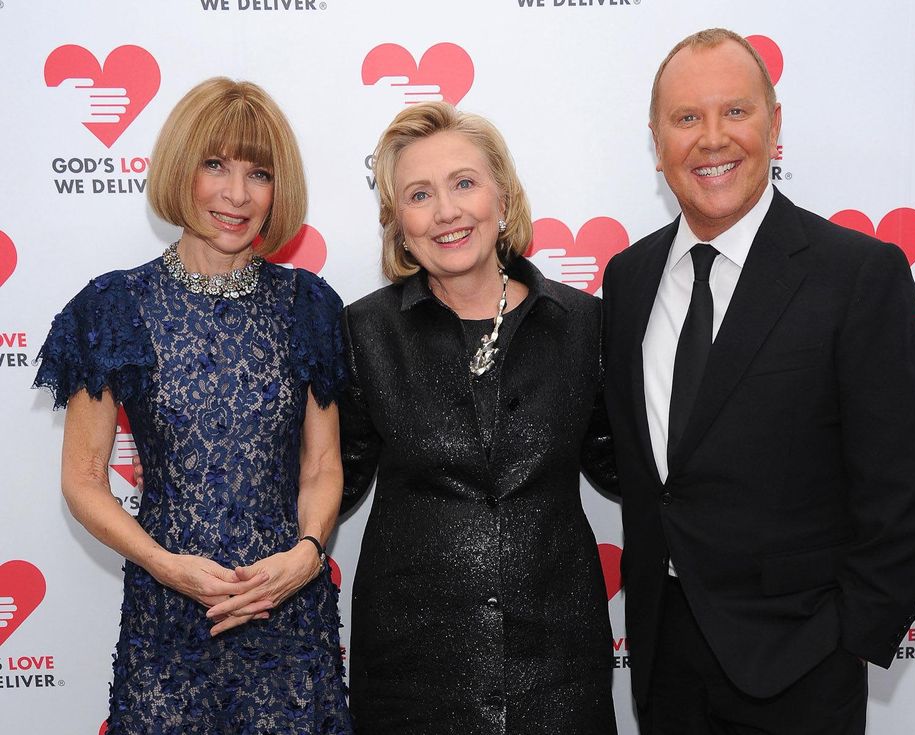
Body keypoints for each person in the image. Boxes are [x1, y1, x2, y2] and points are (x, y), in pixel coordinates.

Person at [601, 28, 915, 735]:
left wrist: (850, 634)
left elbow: (908, 473)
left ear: (774, 125)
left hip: (802, 662)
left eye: (735, 111)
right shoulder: (629, 278)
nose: (712, 138)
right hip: (665, 659)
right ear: (657, 142)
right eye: (687, 118)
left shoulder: (856, 275)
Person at [33, 78, 353, 734]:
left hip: (286, 617)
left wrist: (307, 554)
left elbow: (322, 465)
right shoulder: (113, 308)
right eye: (215, 165)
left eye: (259, 173)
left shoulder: (309, 305)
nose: (237, 194)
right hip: (168, 623)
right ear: (181, 170)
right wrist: (163, 564)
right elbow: (84, 479)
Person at [339, 101, 617, 734]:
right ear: (398, 222)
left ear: (503, 197)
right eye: (419, 194)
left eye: (464, 183)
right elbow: (328, 481)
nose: (447, 211)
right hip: (410, 679)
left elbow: (629, 467)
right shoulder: (364, 332)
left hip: (559, 673)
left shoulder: (582, 325)